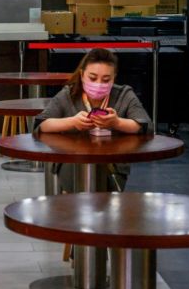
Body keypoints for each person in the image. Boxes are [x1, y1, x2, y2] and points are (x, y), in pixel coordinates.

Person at [34, 47, 151, 192]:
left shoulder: (124, 95)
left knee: (103, 200)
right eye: (93, 78)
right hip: (72, 163)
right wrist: (72, 122)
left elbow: (145, 125)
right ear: (82, 75)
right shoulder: (68, 95)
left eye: (106, 79)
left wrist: (117, 122)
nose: (99, 84)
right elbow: (41, 124)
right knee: (78, 197)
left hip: (112, 166)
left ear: (114, 78)